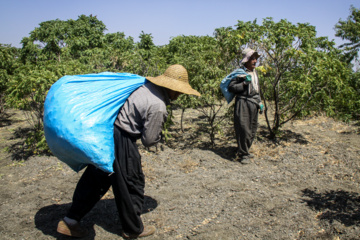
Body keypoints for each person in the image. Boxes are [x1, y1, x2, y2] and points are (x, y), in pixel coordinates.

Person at [56, 64, 201, 238]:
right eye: (179, 91)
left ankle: (70, 221)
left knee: (96, 179)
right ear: (170, 88)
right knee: (131, 182)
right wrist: (158, 136)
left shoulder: (142, 87)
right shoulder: (158, 106)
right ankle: (133, 229)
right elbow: (149, 140)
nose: (179, 95)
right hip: (122, 140)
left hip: (107, 134)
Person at [228, 48, 263, 164]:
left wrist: (260, 102)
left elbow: (256, 90)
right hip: (243, 103)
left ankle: (244, 150)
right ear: (246, 61)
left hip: (253, 103)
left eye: (255, 59)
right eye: (252, 59)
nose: (254, 61)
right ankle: (243, 154)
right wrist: (243, 83)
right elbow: (231, 87)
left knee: (252, 128)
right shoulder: (240, 73)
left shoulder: (255, 73)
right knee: (243, 129)